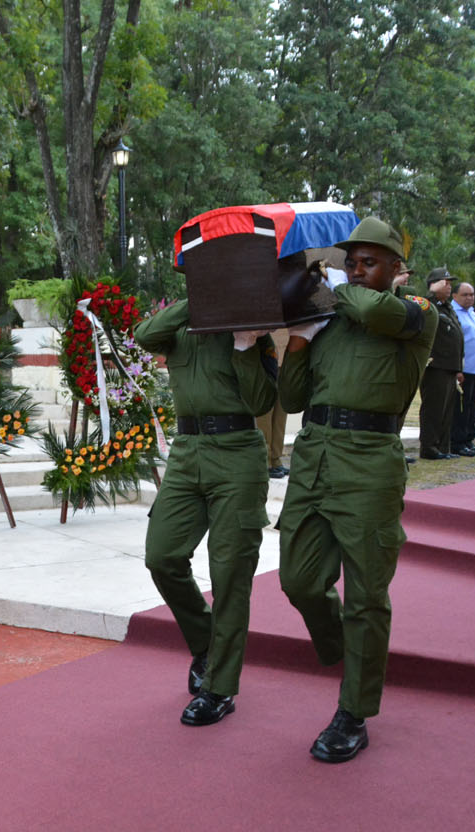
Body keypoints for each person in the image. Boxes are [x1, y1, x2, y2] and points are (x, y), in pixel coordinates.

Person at [277, 217, 436, 763]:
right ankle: (352, 654)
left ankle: (355, 711)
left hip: (370, 464)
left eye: (369, 261)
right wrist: (299, 340)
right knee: (297, 579)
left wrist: (334, 292)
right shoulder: (332, 320)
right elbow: (293, 398)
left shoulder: (414, 313)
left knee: (365, 594)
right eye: (351, 261)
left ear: (397, 268)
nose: (355, 270)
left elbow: (370, 307)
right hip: (315, 457)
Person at [134, 300, 278, 726]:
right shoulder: (177, 326)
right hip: (186, 453)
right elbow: (144, 336)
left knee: (229, 573)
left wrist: (244, 345)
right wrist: (195, 303)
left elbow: (261, 401)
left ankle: (219, 687)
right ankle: (206, 642)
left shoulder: (252, 329)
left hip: (237, 453)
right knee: (162, 557)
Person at [417, 268, 463, 460]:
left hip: (450, 365)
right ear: (434, 284)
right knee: (433, 408)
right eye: (445, 283)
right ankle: (429, 446)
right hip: (435, 365)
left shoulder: (448, 307)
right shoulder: (428, 305)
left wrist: (459, 367)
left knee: (446, 410)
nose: (449, 286)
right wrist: (431, 293)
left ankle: (443, 446)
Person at [450, 283, 475, 456]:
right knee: (461, 407)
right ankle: (457, 441)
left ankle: (468, 439)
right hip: (465, 368)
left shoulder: (472, 312)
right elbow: (454, 342)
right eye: (465, 295)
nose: (469, 298)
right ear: (455, 296)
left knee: (473, 405)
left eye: (472, 294)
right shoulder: (454, 313)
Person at [255, 329, 291, 478]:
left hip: (286, 348)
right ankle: (266, 461)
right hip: (264, 348)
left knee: (281, 411)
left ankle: (276, 459)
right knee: (265, 412)